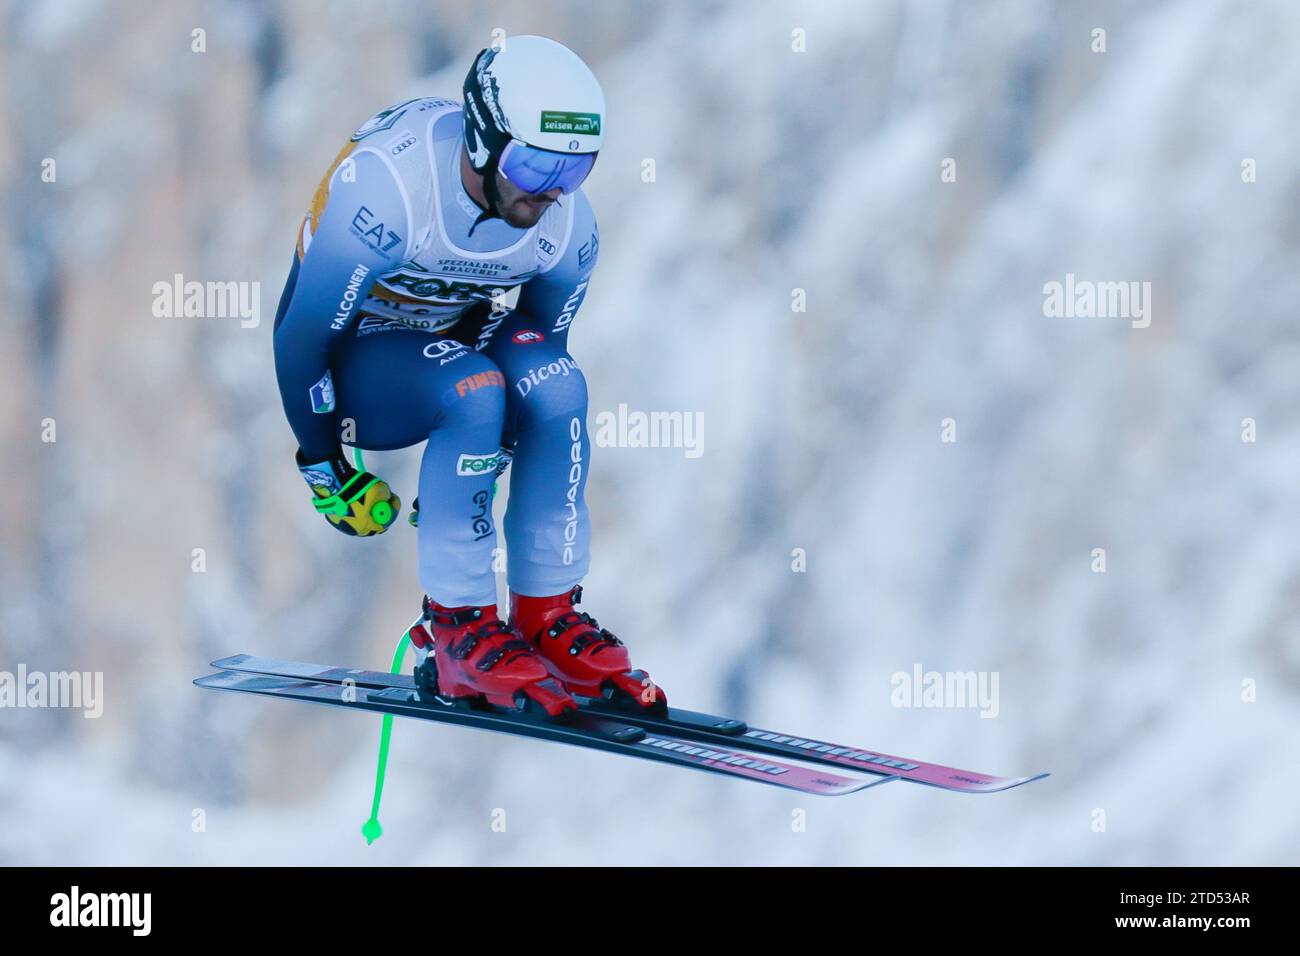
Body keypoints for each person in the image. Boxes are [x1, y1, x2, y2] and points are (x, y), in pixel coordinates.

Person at [272, 36, 662, 717]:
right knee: (474, 390)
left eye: (573, 171)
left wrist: (480, 465)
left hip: (451, 336)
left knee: (558, 387)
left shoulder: (566, 228)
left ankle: (545, 616)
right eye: (535, 164)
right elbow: (303, 338)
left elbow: (541, 350)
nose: (549, 192)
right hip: (356, 359)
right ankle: (456, 633)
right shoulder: (391, 190)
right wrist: (324, 466)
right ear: (483, 139)